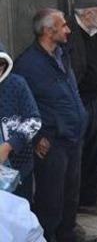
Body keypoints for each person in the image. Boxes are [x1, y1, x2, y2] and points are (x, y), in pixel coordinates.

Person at [15, 9, 93, 242]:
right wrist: (38, 136)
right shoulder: (27, 64)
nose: (68, 29)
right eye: (63, 26)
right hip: (52, 142)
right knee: (51, 197)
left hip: (73, 136)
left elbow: (70, 92)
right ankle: (47, 236)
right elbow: (21, 107)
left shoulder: (62, 54)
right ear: (49, 31)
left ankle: (67, 234)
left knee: (70, 193)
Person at [66, 0, 97, 216]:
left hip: (95, 101)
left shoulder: (93, 32)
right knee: (79, 156)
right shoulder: (70, 34)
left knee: (94, 153)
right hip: (79, 102)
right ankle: (74, 206)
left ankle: (88, 200)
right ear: (88, 13)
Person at [0, 41, 41, 201]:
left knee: (20, 215)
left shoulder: (17, 84)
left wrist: (9, 146)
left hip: (19, 167)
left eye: (1, 63)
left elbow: (34, 120)